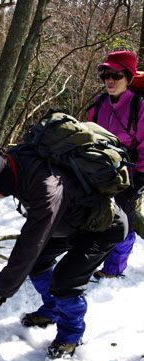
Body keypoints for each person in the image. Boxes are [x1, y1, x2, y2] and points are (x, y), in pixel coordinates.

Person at [0, 146, 127, 358]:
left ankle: (71, 336)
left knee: (65, 282)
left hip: (103, 227)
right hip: (70, 221)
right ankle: (53, 310)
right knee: (38, 264)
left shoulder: (46, 187)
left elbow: (30, 244)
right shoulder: (17, 164)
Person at [88, 50, 144, 279]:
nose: (110, 81)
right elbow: (89, 135)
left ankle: (113, 269)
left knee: (125, 219)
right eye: (106, 76)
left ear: (129, 79)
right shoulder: (99, 103)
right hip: (102, 170)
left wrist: (140, 178)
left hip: (132, 171)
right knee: (104, 214)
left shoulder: (139, 105)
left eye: (117, 76)